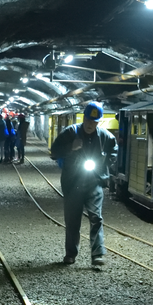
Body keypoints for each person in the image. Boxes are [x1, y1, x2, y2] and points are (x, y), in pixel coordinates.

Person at [50, 101, 117, 266]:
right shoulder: (70, 133)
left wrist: (105, 164)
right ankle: (71, 254)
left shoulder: (105, 136)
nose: (90, 124)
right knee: (72, 220)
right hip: (73, 183)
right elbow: (54, 152)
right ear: (84, 118)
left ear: (98, 122)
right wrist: (70, 147)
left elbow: (113, 151)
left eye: (94, 122)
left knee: (96, 218)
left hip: (94, 182)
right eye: (88, 121)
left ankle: (97, 254)